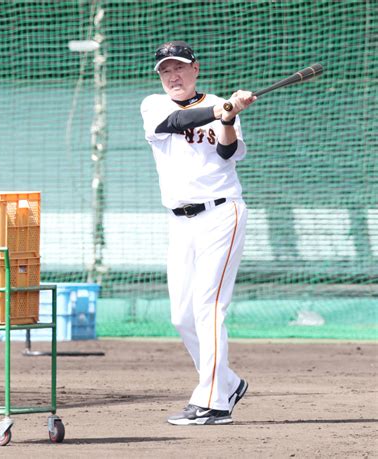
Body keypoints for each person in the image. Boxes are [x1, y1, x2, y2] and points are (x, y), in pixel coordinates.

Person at [140, 41, 256, 425]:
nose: (172, 75)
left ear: (196, 69)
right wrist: (218, 110)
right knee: (181, 315)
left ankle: (213, 403)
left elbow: (227, 153)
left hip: (222, 214)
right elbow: (175, 124)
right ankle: (227, 383)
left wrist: (226, 118)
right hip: (180, 221)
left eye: (179, 68)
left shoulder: (223, 105)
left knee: (208, 307)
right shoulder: (154, 105)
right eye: (165, 70)